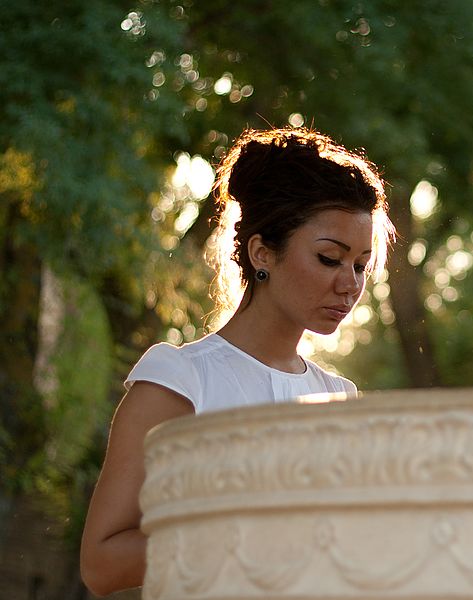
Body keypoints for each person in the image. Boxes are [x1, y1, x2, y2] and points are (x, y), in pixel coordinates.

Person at [79, 127, 394, 596]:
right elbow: (102, 563)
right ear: (262, 252)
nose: (349, 284)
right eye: (330, 258)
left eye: (361, 265)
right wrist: (249, 534)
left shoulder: (340, 397)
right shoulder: (180, 381)